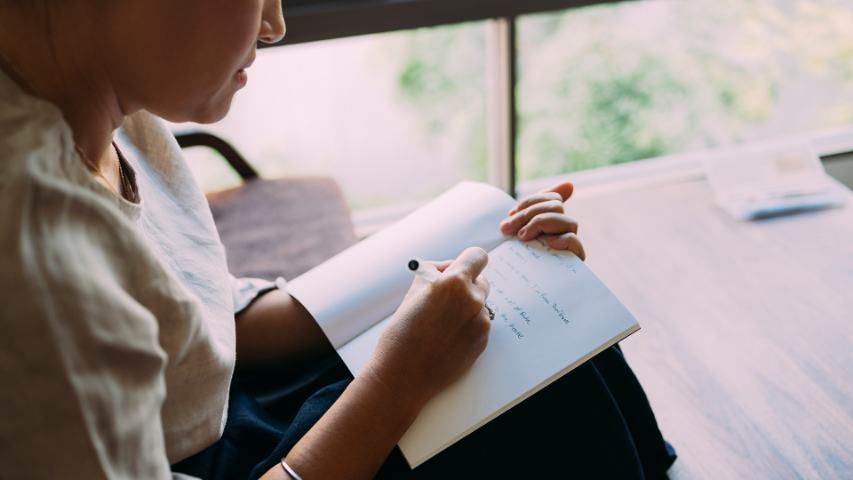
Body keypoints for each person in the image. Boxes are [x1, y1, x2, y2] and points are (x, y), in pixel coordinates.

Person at [0, 0, 676, 478]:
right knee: (538, 406)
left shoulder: (105, 100)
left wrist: (466, 276)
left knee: (525, 346)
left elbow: (192, 323)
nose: (274, 23)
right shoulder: (38, 252)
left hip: (214, 411)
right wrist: (394, 382)